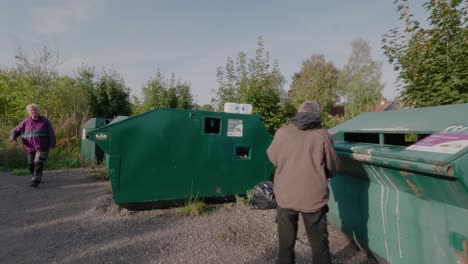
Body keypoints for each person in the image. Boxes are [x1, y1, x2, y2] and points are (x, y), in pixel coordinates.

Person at [267, 100, 338, 264]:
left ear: (299, 113)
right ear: (317, 115)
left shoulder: (282, 133)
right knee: (319, 246)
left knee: (285, 245)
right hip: (313, 197)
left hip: (286, 195)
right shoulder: (323, 135)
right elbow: (333, 167)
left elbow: (273, 158)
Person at [9, 104, 56, 187]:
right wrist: (13, 138)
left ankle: (35, 180)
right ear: (29, 112)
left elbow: (51, 133)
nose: (34, 112)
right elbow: (15, 131)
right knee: (31, 165)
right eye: (31, 110)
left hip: (42, 146)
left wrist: (52, 144)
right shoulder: (25, 122)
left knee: (38, 162)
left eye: (35, 110)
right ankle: (36, 175)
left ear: (38, 111)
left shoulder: (45, 121)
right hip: (29, 147)